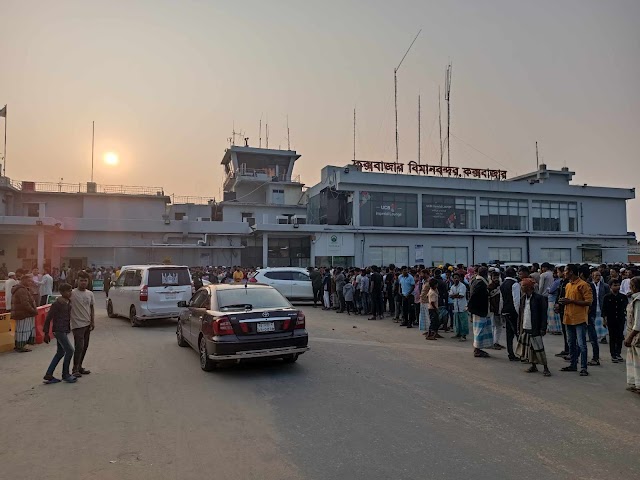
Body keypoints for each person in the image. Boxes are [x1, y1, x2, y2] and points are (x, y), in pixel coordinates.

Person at [560, 264, 593, 376]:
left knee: (581, 344)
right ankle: (573, 364)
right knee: (571, 343)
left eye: (565, 271)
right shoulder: (568, 285)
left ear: (571, 272)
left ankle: (583, 367)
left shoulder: (583, 285)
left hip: (579, 318)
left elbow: (588, 302)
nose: (564, 273)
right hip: (568, 317)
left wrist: (571, 301)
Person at [42, 284, 78, 384]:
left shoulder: (68, 302)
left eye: (70, 291)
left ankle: (49, 374)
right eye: (67, 291)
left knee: (60, 352)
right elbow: (48, 319)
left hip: (64, 330)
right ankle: (66, 374)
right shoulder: (57, 304)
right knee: (70, 351)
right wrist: (46, 333)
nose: (69, 293)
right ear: (61, 292)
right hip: (59, 330)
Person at [516, 278, 551, 376]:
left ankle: (545, 367)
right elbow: (521, 314)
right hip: (526, 325)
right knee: (530, 349)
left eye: (523, 286)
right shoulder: (523, 298)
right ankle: (533, 365)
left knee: (539, 348)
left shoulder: (539, 298)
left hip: (535, 327)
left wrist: (543, 328)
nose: (521, 287)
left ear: (528, 287)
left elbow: (544, 314)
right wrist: (519, 327)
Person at [71, 272, 95, 378]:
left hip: (87, 324)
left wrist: (92, 321)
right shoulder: (72, 293)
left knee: (85, 346)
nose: (83, 282)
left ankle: (80, 366)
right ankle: (74, 369)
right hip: (77, 325)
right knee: (79, 347)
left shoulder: (90, 294)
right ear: (77, 281)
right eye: (81, 280)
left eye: (85, 280)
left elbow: (92, 308)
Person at [467, 267, 493, 358]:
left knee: (480, 329)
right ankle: (477, 349)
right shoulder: (480, 283)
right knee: (479, 330)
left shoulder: (476, 281)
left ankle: (478, 348)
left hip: (479, 309)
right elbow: (474, 296)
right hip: (480, 310)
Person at [602, 279, 628, 363]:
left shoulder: (623, 297)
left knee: (620, 337)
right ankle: (613, 354)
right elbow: (604, 310)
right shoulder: (607, 297)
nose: (617, 287)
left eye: (618, 285)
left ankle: (618, 353)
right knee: (612, 337)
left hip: (620, 319)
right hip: (611, 319)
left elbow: (626, 308)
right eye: (615, 285)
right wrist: (604, 320)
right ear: (610, 287)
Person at [11, 274, 38, 352]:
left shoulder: (22, 289)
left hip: (20, 313)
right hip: (23, 313)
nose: (31, 282)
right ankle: (21, 346)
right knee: (23, 330)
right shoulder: (22, 290)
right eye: (29, 281)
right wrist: (33, 311)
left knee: (20, 330)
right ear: (24, 280)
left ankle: (19, 345)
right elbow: (25, 304)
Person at [624, 276, 640, 394]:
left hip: (636, 335)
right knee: (634, 360)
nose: (630, 288)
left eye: (631, 285)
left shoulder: (638, 300)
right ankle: (636, 383)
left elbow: (638, 322)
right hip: (632, 333)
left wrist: (630, 337)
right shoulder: (634, 298)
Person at [500, 268, 520, 361]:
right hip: (513, 311)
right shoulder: (515, 284)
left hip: (505, 310)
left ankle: (510, 353)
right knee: (517, 332)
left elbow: (501, 299)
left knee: (509, 334)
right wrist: (519, 313)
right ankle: (522, 352)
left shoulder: (503, 284)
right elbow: (516, 300)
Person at [590, 270, 610, 350]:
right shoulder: (590, 285)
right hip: (593, 306)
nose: (598, 277)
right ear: (592, 276)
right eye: (596, 275)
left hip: (602, 306)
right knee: (594, 322)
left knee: (602, 321)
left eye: (599, 275)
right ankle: (595, 336)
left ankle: (603, 337)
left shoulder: (605, 286)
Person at [449, 273, 468, 341]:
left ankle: (464, 335)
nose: (455, 279)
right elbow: (450, 295)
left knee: (463, 321)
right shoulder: (452, 286)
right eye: (454, 278)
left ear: (460, 278)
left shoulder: (462, 286)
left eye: (457, 278)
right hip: (456, 306)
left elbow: (461, 295)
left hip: (462, 306)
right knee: (457, 321)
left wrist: (454, 295)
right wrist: (456, 295)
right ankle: (458, 333)